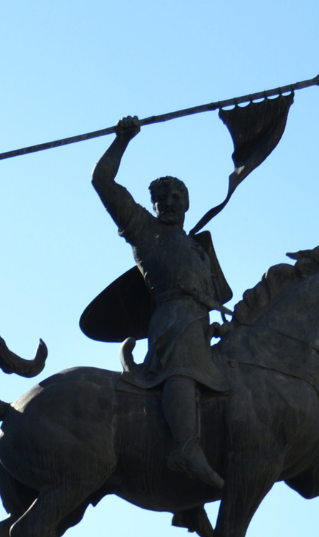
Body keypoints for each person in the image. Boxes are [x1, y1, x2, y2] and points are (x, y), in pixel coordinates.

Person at [91, 115, 228, 489]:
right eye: (161, 198)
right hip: (172, 321)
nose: (168, 203)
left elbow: (217, 297)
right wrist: (122, 140)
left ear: (187, 203)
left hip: (201, 324)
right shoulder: (144, 231)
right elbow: (102, 182)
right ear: (151, 205)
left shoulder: (198, 249)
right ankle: (184, 447)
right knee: (182, 368)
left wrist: (219, 324)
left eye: (176, 198)